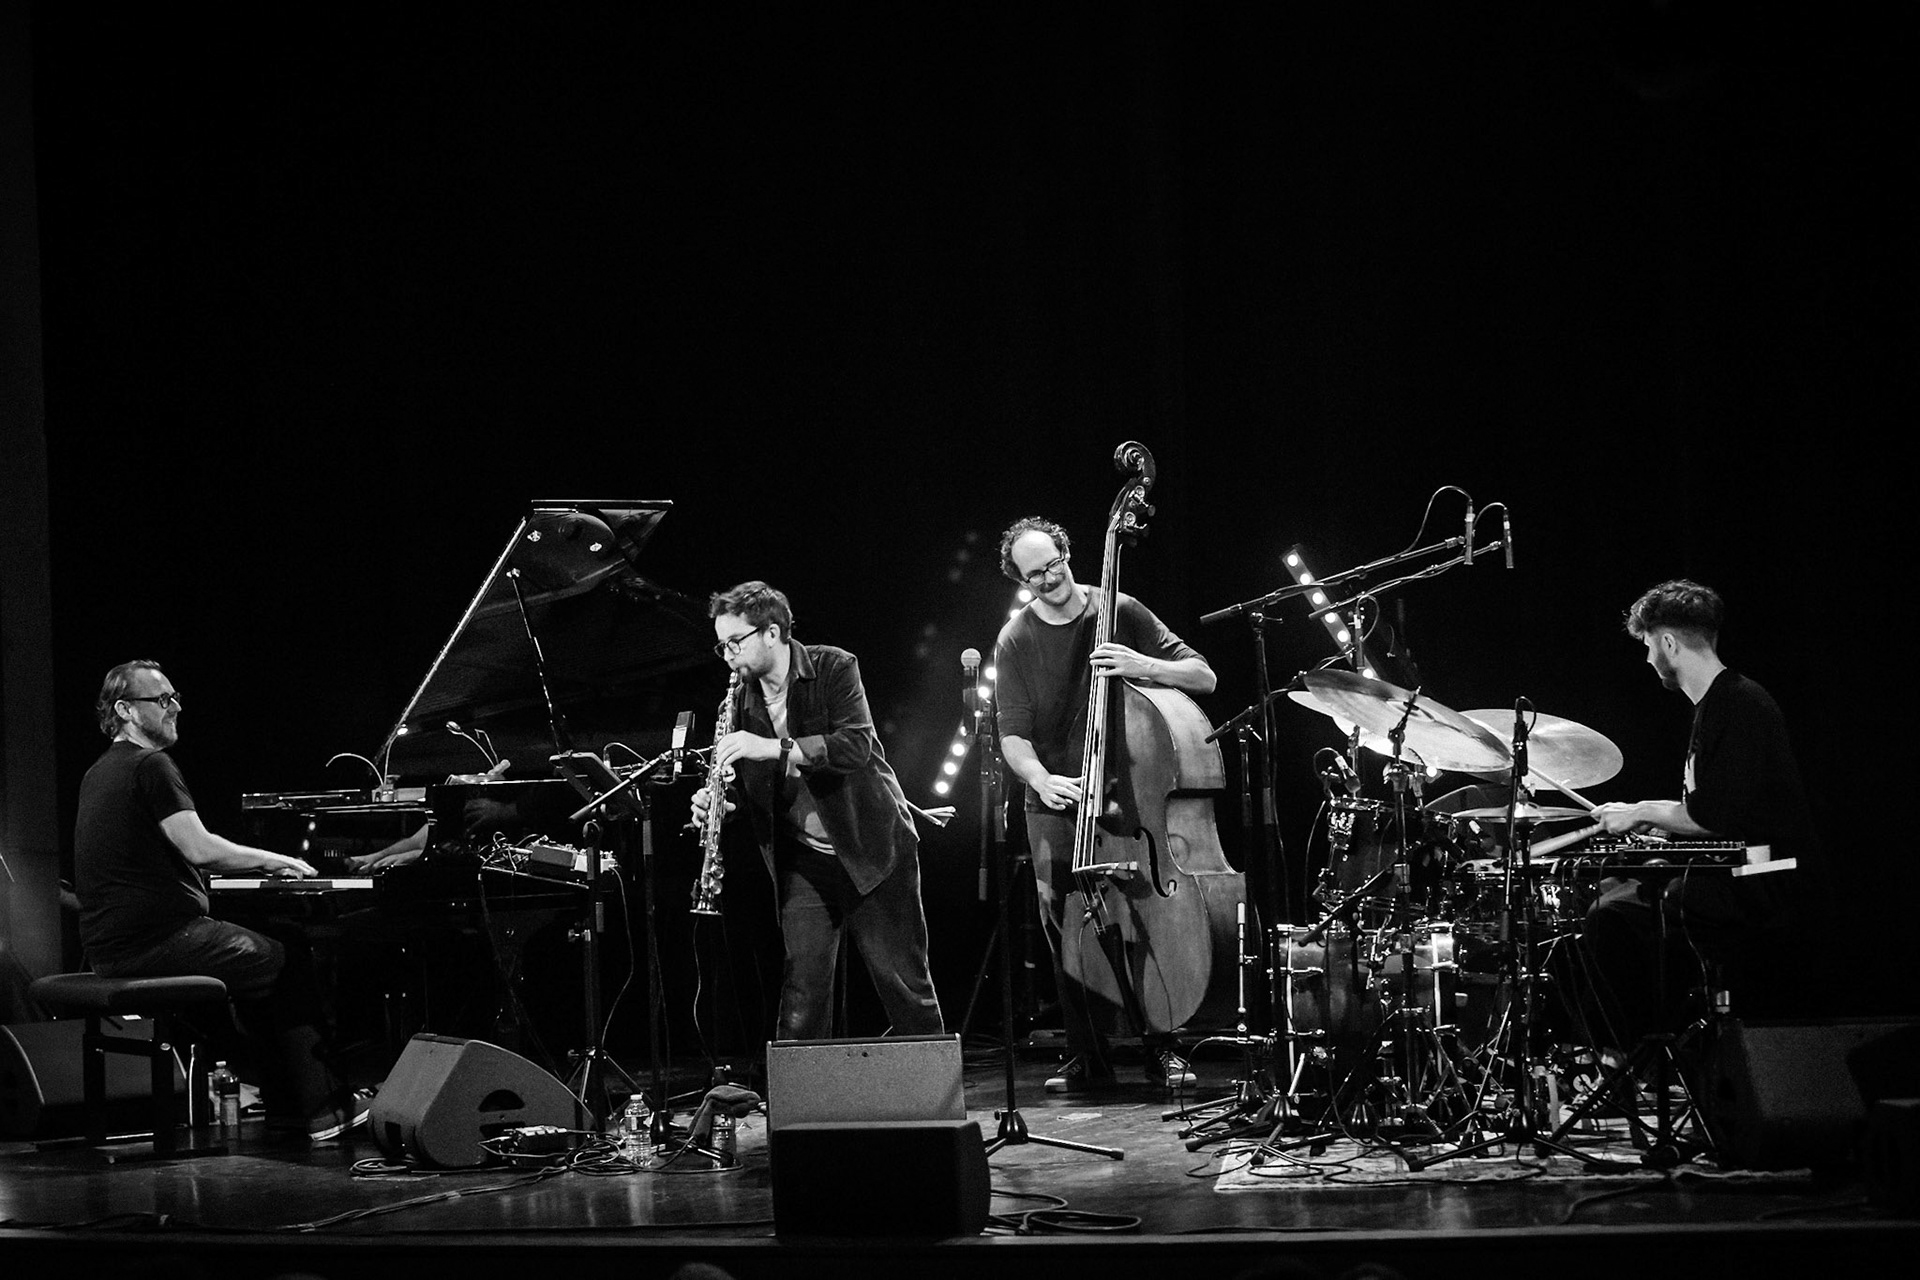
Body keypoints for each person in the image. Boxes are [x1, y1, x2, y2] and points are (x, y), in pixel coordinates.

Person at [72, 660, 371, 1140]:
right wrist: (274, 859)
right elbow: (200, 849)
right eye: (161, 700)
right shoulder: (151, 765)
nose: (174, 708)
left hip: (110, 948)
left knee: (261, 957)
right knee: (287, 952)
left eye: (175, 697)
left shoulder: (99, 772)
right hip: (158, 942)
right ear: (124, 710)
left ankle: (284, 1104)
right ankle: (320, 1106)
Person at [992, 517, 1217, 1092]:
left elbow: (1204, 675)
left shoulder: (1121, 610)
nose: (1050, 578)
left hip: (1132, 795)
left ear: (1068, 551)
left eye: (1054, 563)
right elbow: (1012, 735)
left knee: (1147, 915)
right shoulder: (1015, 639)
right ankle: (1085, 1051)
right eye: (1034, 574)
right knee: (1063, 922)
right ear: (1019, 580)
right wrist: (1040, 778)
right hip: (1057, 800)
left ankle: (1161, 1046)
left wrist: (1144, 666)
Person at [690, 581, 944, 1042]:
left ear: (771, 633)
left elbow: (855, 746)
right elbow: (754, 790)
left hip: (871, 846)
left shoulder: (833, 667)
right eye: (721, 645)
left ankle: (937, 1099)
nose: (727, 655)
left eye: (735, 643)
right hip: (802, 859)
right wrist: (722, 804)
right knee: (802, 990)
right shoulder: (739, 701)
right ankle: (802, 1110)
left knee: (902, 981)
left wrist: (772, 747)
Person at [1579, 579, 1823, 1051]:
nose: (1649, 660)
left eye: (1649, 646)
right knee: (1617, 891)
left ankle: (1624, 1058)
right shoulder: (1717, 707)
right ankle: (1654, 1052)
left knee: (1613, 916)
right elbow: (1724, 813)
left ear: (1668, 642)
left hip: (1773, 872)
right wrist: (1658, 828)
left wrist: (1641, 812)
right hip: (1746, 862)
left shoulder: (1740, 703)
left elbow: (1715, 815)